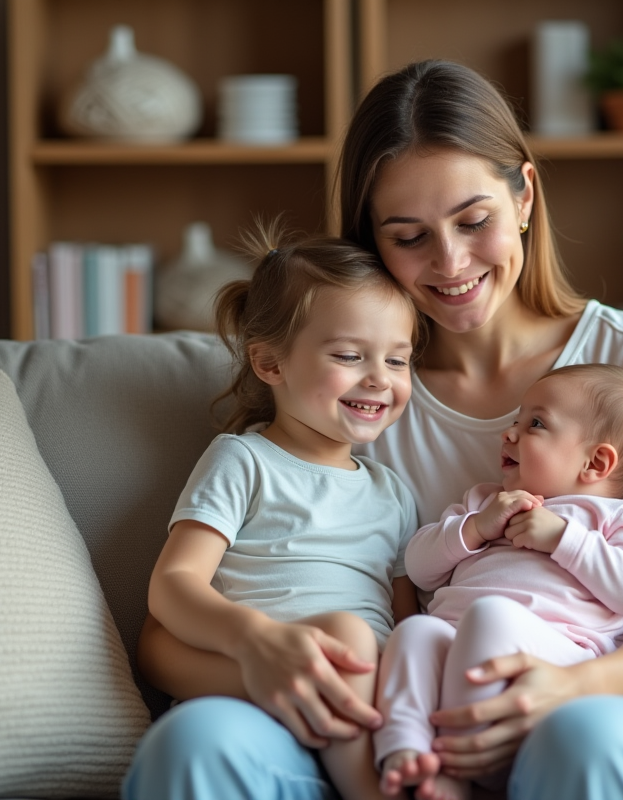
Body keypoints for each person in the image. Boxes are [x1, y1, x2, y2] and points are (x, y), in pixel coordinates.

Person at [128, 59, 623, 800]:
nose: (450, 262)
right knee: (198, 744)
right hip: (399, 726)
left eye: (474, 220)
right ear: (373, 244)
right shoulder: (358, 394)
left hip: (603, 711)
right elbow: (170, 635)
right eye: (409, 235)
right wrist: (271, 663)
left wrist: (571, 688)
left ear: (523, 195)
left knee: (584, 739)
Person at [122, 220, 423, 800]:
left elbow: (407, 622)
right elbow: (176, 583)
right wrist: (252, 638)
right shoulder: (245, 460)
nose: (378, 379)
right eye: (349, 354)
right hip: (255, 697)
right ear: (270, 364)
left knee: (367, 641)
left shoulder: (393, 493)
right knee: (345, 635)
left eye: (398, 360)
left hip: (368, 707)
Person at [375, 364, 623, 800]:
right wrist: (476, 529)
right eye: (516, 420)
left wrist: (563, 539)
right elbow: (419, 567)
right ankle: (406, 751)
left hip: (555, 659)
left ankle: (463, 762)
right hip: (455, 644)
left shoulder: (613, 517)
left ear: (596, 462)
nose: (509, 433)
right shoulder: (484, 502)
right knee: (414, 631)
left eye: (535, 423)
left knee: (490, 616)